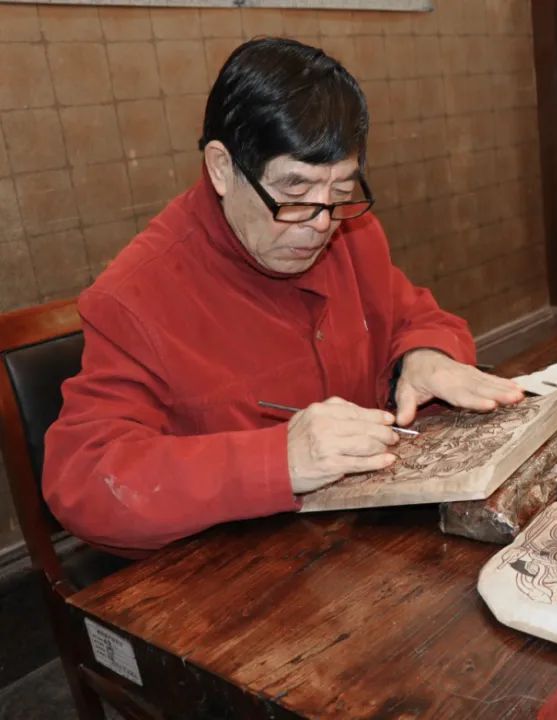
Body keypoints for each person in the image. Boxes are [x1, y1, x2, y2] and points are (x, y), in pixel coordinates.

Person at [42, 38, 524, 556]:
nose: (319, 224)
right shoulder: (135, 297)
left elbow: (416, 315)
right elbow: (84, 480)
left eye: (341, 191)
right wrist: (278, 460)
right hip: (237, 569)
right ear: (222, 168)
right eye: (294, 192)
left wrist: (424, 355)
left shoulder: (350, 233)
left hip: (366, 540)